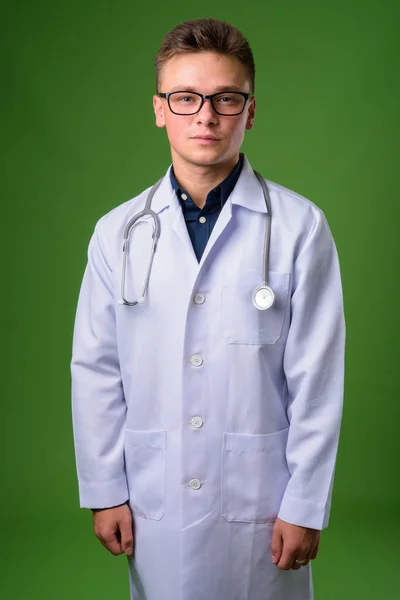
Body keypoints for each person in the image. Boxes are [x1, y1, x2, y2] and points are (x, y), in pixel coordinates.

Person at [70, 17, 346, 600]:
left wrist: (305, 503)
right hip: (154, 495)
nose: (206, 115)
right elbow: (96, 369)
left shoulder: (299, 228)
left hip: (263, 502)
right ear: (159, 109)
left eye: (226, 98)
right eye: (186, 97)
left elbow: (317, 380)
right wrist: (104, 489)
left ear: (250, 111)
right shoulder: (116, 233)